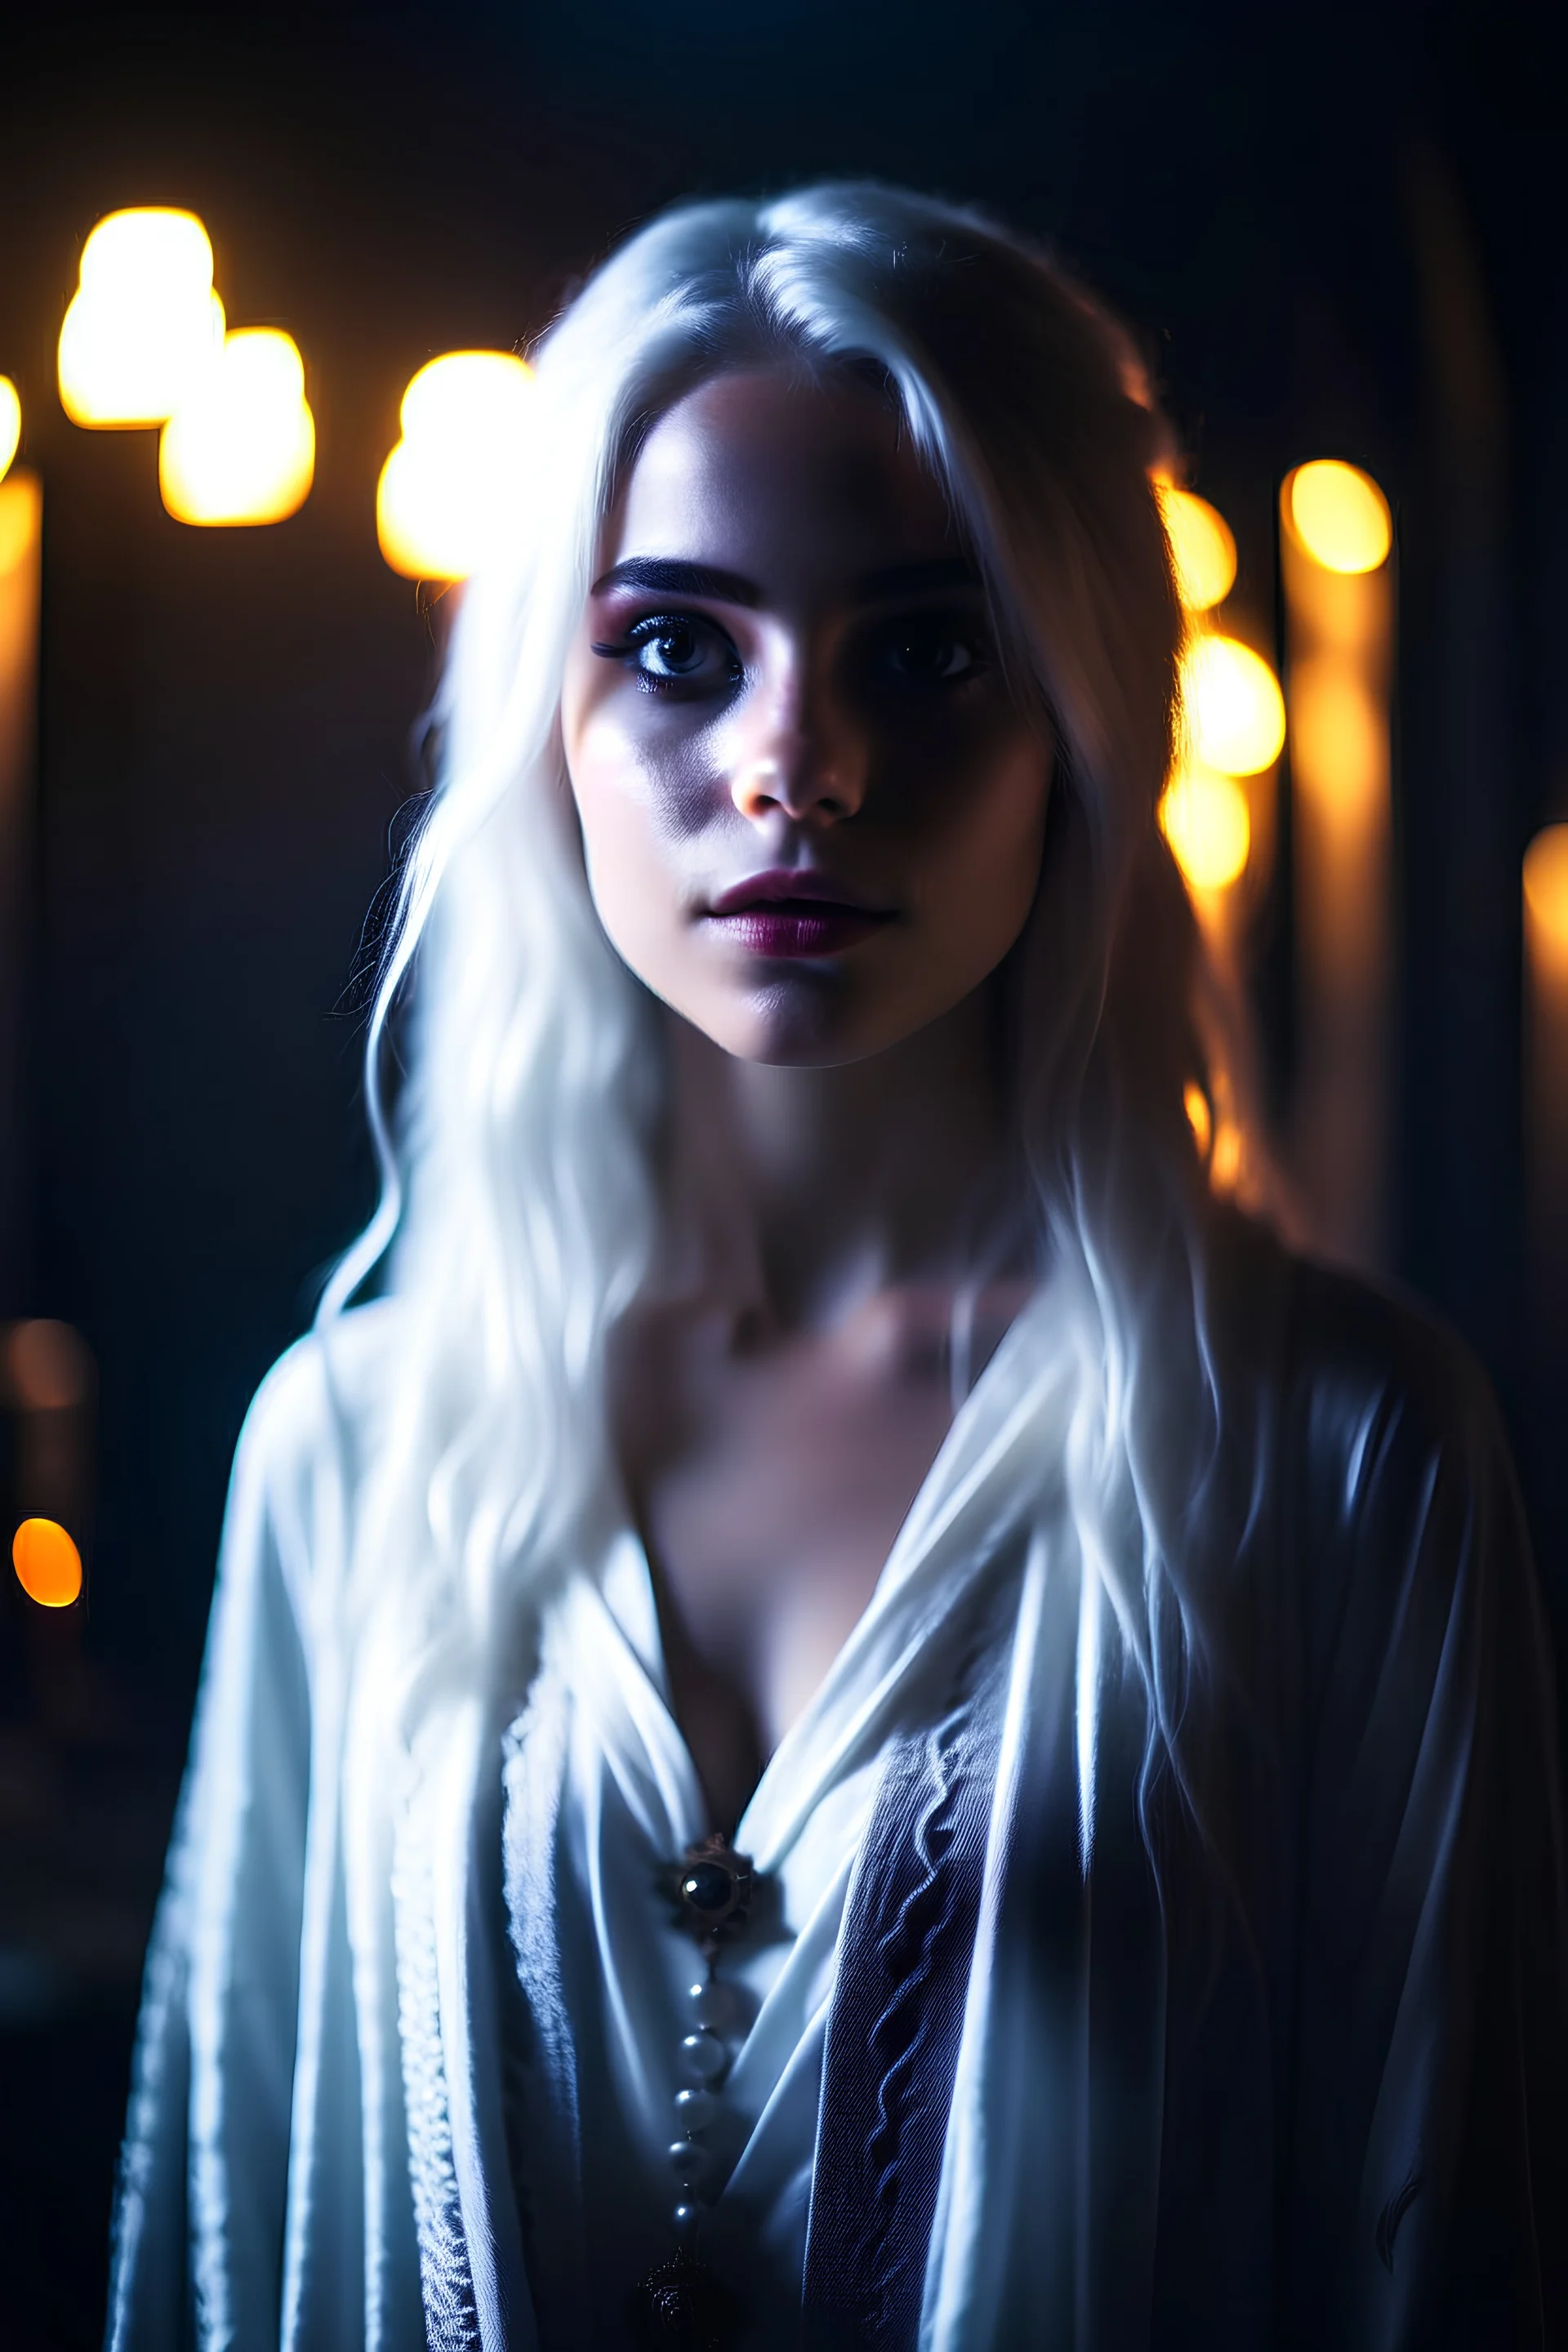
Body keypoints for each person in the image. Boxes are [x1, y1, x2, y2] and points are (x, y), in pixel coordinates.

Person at [105, 184, 1567, 2352]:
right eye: (679, 646)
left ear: (1081, 717)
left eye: (930, 644)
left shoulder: (1342, 1457)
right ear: (549, 721)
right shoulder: (350, 1449)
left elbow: (1449, 2248)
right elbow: (233, 2227)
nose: (801, 766)